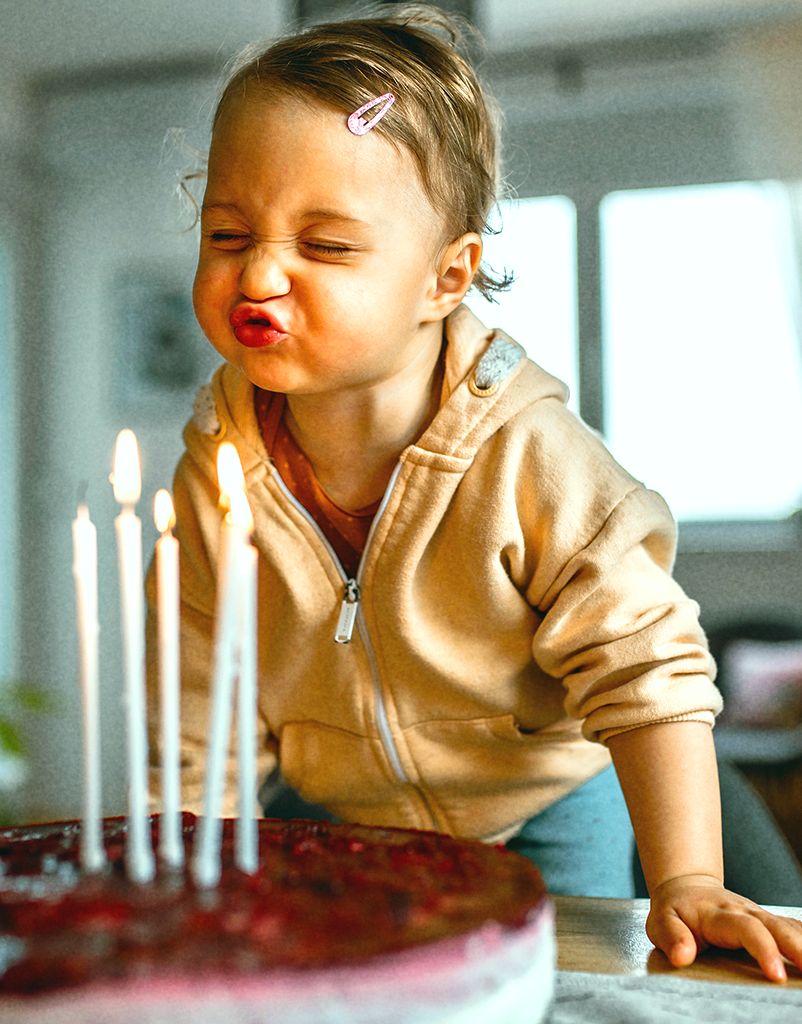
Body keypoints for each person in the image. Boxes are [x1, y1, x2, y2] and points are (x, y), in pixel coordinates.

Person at [146, 3, 802, 982]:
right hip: (341, 820)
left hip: (546, 809)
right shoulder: (215, 477)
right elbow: (202, 707)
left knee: (558, 992)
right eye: (228, 232)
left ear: (445, 278)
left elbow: (647, 667)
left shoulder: (528, 453)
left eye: (326, 246)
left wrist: (690, 880)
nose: (261, 271)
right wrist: (189, 879)